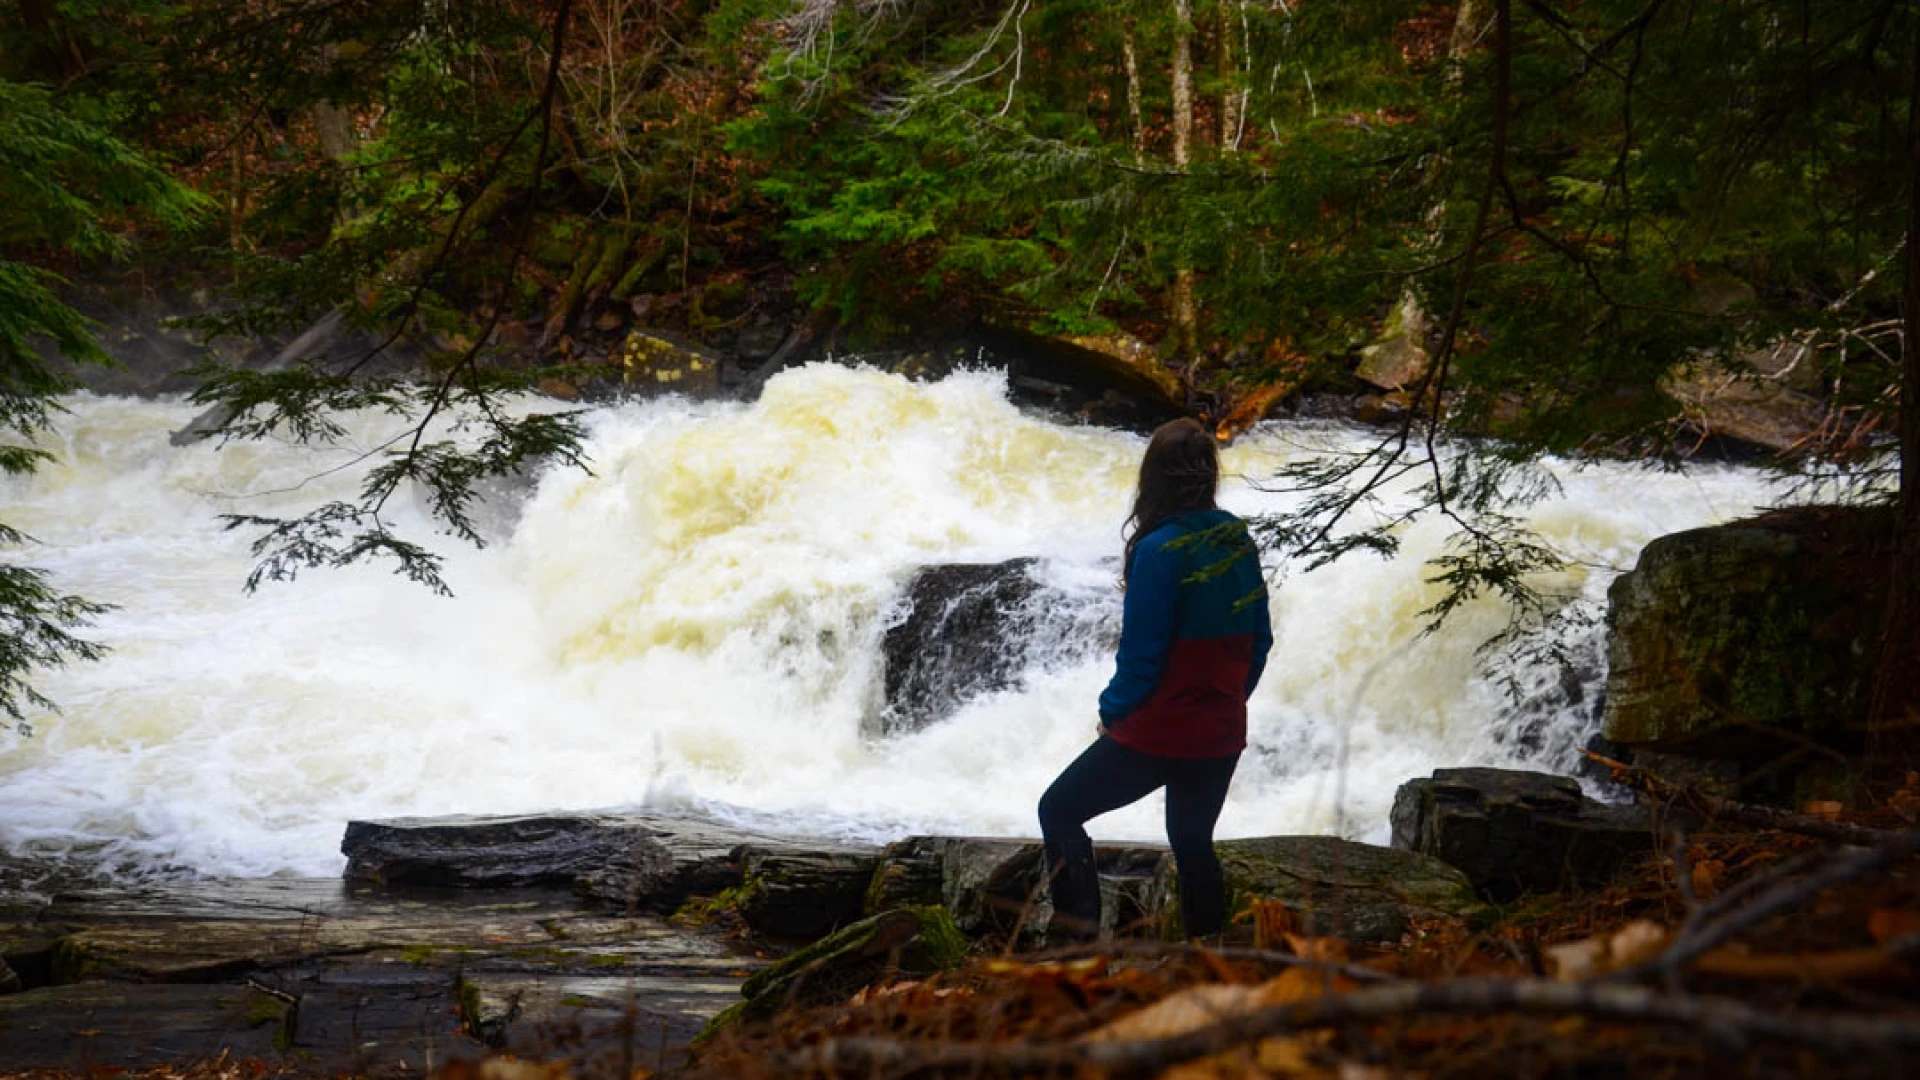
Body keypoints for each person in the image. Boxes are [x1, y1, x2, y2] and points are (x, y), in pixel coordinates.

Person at [1037, 417, 1273, 940]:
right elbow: (1260, 640)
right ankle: (1205, 955)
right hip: (1219, 727)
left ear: (1154, 478)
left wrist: (1113, 713)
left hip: (1161, 729)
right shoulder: (1236, 536)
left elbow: (1142, 656)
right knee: (1191, 842)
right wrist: (1229, 698)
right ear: (1209, 473)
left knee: (1058, 810)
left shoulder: (1159, 549)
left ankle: (1075, 943)